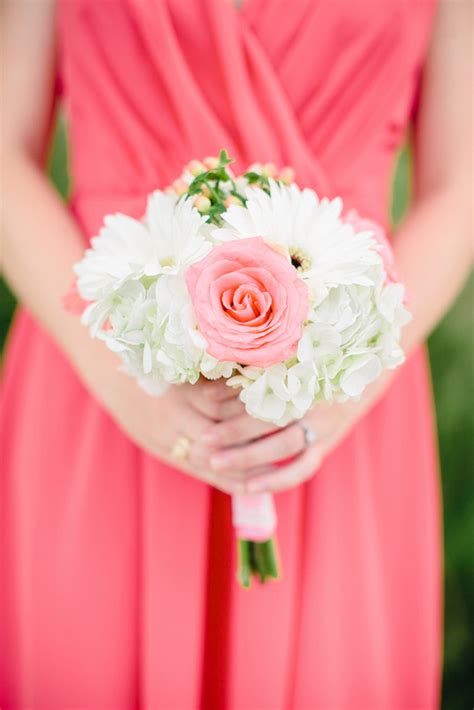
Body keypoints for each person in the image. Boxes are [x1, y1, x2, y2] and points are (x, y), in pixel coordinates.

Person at [1, 0, 471, 707]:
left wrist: (342, 386)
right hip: (103, 364)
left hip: (343, 386)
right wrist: (126, 381)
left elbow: (460, 186)